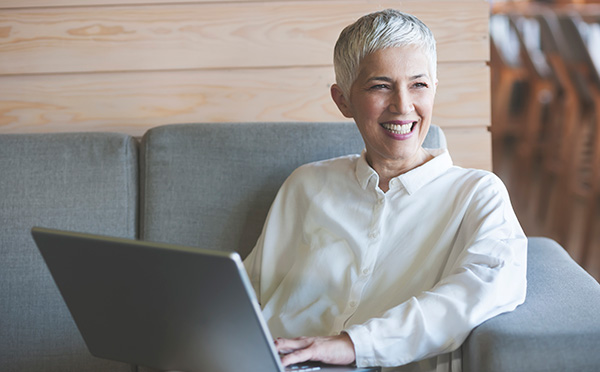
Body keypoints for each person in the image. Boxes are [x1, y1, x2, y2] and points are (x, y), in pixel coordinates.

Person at [243, 9, 527, 372]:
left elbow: (488, 285)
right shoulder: (306, 185)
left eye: (418, 85)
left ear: (434, 89)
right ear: (343, 99)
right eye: (380, 86)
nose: (403, 105)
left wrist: (353, 345)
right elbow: (249, 293)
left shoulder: (476, 194)